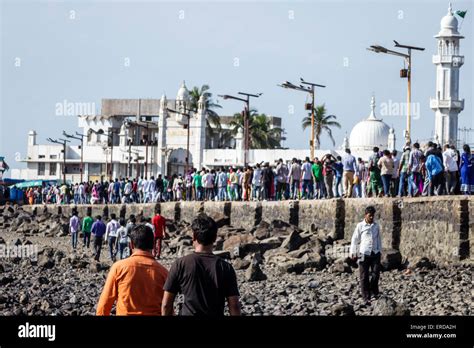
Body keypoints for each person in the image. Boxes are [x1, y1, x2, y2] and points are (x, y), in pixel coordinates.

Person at [162, 214, 241, 316]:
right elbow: (234, 305)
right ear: (215, 238)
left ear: (194, 237)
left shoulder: (180, 264)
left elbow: (166, 304)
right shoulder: (225, 267)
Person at [96, 224, 169, 315]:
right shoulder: (164, 273)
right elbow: (167, 307)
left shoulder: (119, 268)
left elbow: (104, 304)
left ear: (131, 245)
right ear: (153, 244)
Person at [350, 206, 382, 304]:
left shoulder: (376, 226)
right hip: (363, 253)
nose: (371, 217)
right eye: (370, 216)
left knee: (376, 274)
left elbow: (378, 239)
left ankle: (374, 291)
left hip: (375, 253)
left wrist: (380, 250)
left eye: (373, 216)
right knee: (364, 276)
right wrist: (353, 252)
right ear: (365, 215)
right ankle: (366, 297)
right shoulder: (360, 226)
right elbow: (355, 239)